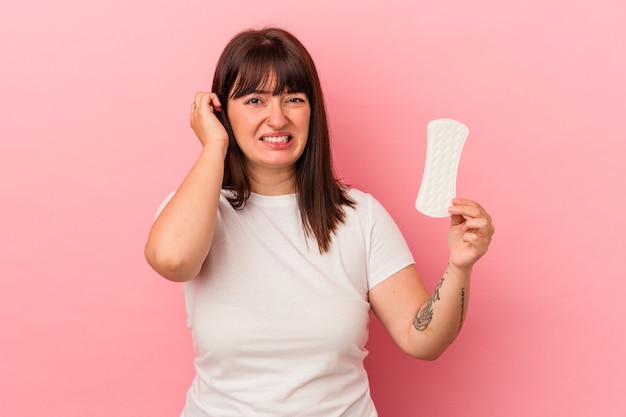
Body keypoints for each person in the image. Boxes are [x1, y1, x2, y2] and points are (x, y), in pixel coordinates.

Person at [145, 27, 494, 417]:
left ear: (312, 110)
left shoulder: (360, 216)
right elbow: (173, 260)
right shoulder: (197, 210)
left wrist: (460, 267)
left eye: (293, 99)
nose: (276, 119)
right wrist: (214, 145)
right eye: (255, 100)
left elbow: (422, 340)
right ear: (221, 112)